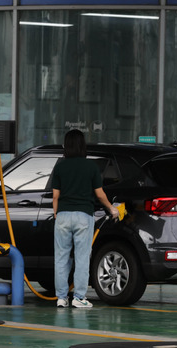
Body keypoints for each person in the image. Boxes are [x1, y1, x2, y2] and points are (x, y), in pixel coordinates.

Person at [52, 129, 119, 308]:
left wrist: (56, 213)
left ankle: (61, 298)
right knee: (82, 258)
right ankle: (79, 298)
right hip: (83, 215)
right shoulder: (91, 167)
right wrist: (111, 209)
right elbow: (100, 194)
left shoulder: (60, 166)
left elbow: (55, 196)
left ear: (66, 145)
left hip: (63, 216)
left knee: (61, 258)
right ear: (83, 145)